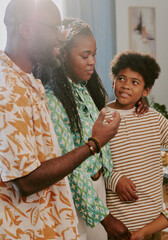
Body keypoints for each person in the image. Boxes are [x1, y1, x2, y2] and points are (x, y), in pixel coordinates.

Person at [0, 0, 120, 239]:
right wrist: (94, 143)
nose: (59, 38)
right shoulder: (8, 90)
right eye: (54, 29)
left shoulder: (28, 81)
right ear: (26, 30)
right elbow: (26, 181)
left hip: (49, 224)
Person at [33, 18, 147, 240]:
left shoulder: (83, 88)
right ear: (63, 55)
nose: (92, 62)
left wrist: (138, 102)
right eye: (85, 56)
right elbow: (71, 168)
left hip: (99, 187)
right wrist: (105, 217)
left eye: (94, 54)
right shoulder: (53, 99)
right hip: (80, 194)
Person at [105, 50, 168, 238]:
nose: (125, 86)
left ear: (146, 91)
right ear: (113, 81)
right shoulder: (101, 117)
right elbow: (93, 166)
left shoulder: (153, 118)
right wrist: (114, 180)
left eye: (135, 82)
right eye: (121, 79)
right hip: (119, 222)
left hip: (152, 222)